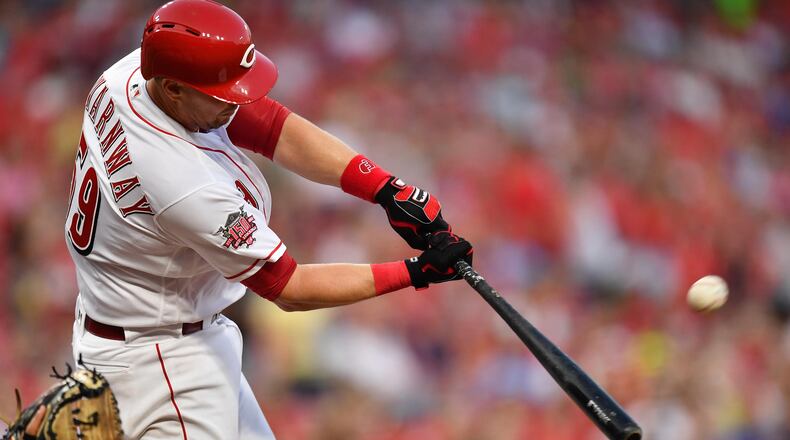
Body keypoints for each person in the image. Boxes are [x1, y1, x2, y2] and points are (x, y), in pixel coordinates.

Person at [65, 0, 473, 438]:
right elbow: (289, 288)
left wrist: (384, 188)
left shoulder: (129, 76)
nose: (236, 100)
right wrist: (416, 272)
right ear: (173, 89)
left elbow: (268, 124)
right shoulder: (183, 184)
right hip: (161, 363)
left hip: (147, 327)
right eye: (220, 93)